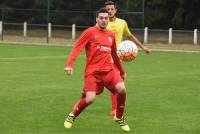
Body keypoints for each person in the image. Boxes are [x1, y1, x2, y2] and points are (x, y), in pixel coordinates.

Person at [63, 8, 130, 132]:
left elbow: (114, 54)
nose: (104, 20)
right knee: (90, 98)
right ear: (97, 19)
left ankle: (119, 117)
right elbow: (77, 48)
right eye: (101, 18)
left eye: (106, 18)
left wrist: (122, 70)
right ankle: (72, 115)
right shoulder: (90, 32)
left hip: (109, 70)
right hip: (93, 73)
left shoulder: (111, 34)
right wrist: (69, 64)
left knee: (122, 89)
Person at [105, 0, 151, 116]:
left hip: (117, 58)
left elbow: (129, 35)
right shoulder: (102, 23)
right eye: (107, 9)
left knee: (117, 83)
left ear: (115, 10)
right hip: (105, 58)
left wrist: (142, 47)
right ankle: (115, 109)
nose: (110, 11)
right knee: (116, 83)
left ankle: (115, 107)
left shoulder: (122, 23)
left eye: (112, 9)